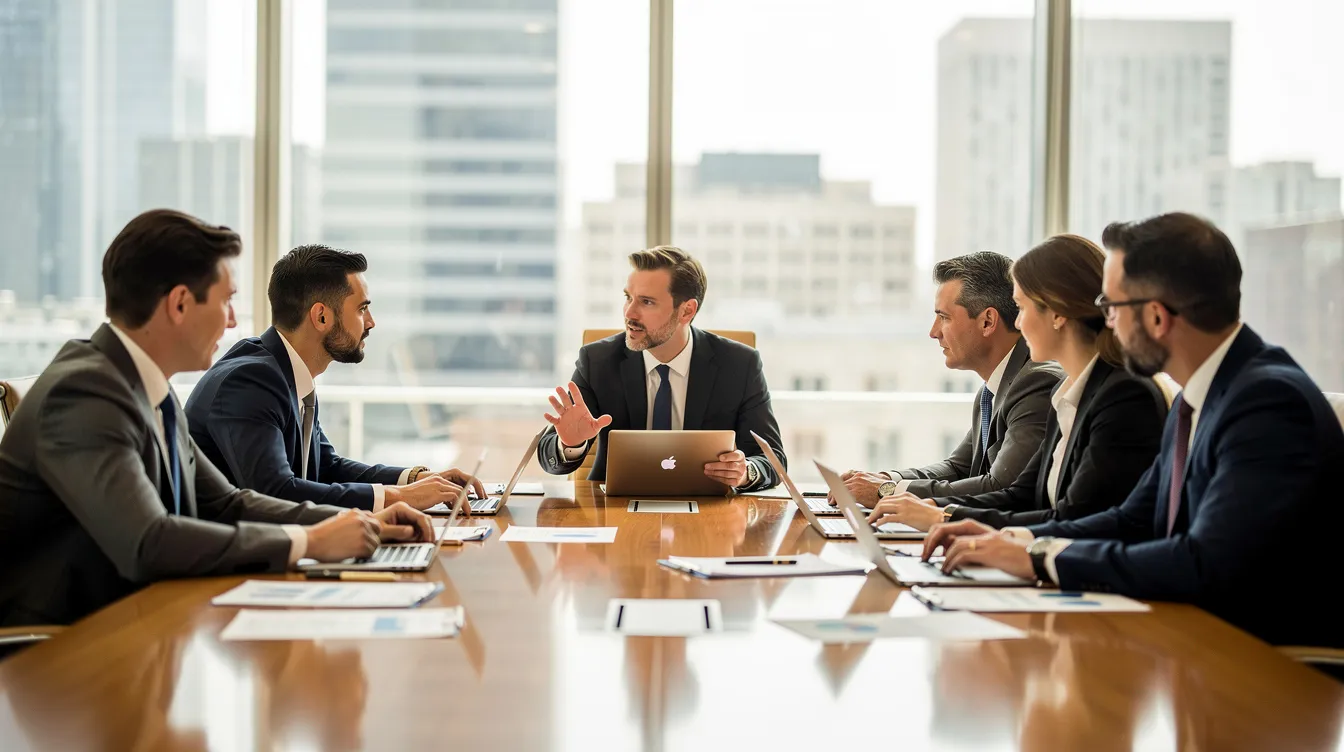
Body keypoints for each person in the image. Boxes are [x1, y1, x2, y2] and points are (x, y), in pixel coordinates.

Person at [925, 212, 1344, 649]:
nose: (1104, 322)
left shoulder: (1266, 402)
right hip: (1196, 640)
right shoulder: (1197, 396)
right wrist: (1013, 539)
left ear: (1157, 318)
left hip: (1262, 665)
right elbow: (1133, 518)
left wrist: (1038, 557)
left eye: (1111, 307)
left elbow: (1203, 563)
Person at [0, 210, 433, 627]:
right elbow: (148, 541)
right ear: (180, 304)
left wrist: (366, 523)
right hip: (60, 652)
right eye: (226, 301)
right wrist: (309, 542)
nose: (231, 320)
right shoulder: (85, 392)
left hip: (139, 620)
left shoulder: (149, 387)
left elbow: (226, 501)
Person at [867, 235, 1167, 531]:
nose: (1018, 323)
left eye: (1021, 308)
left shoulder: (1114, 394)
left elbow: (1071, 518)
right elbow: (1020, 493)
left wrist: (932, 513)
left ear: (1058, 314)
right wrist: (921, 505)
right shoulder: (1069, 394)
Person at [185, 244, 483, 511]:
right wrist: (400, 497)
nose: (371, 322)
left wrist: (414, 479)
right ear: (322, 316)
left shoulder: (285, 370)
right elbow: (275, 493)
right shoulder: (251, 380)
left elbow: (326, 467)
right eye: (362, 309)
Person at [537, 246, 785, 490]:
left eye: (646, 302)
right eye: (628, 298)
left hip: (710, 515)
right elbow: (550, 456)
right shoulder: (597, 360)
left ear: (686, 310)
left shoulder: (739, 365)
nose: (629, 313)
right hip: (616, 513)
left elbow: (773, 460)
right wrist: (570, 445)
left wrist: (745, 472)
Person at [839, 251, 1062, 507]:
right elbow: (959, 468)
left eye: (944, 317)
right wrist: (886, 479)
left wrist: (888, 491)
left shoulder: (1036, 383)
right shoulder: (991, 391)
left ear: (987, 321)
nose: (934, 332)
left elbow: (1001, 487)